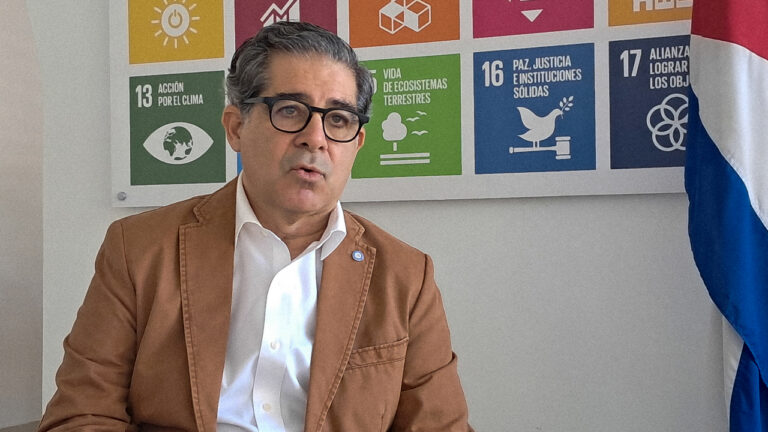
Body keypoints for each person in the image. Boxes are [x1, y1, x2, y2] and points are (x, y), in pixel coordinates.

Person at [39, 21, 472, 432]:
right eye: (290, 110)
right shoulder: (139, 249)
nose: (316, 138)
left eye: (338, 119)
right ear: (236, 128)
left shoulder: (405, 276)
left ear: (356, 143)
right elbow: (82, 414)